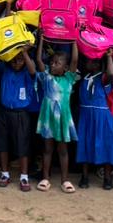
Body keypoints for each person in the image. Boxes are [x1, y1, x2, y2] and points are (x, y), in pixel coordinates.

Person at [35, 36, 79, 193]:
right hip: (48, 119)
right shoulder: (47, 78)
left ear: (65, 68)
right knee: (47, 149)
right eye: (52, 62)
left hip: (62, 120)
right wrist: (41, 40)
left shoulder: (69, 79)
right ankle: (45, 178)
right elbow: (39, 60)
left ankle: (65, 180)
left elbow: (74, 60)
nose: (53, 65)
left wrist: (74, 40)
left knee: (63, 150)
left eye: (57, 63)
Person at [0, 45, 37, 191]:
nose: (16, 63)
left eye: (20, 60)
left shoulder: (27, 73)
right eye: (13, 60)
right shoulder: (5, 70)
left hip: (21, 113)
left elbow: (33, 70)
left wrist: (24, 52)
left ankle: (24, 176)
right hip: (3, 112)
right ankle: (4, 174)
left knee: (23, 146)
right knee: (2, 144)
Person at [76, 50, 113, 190]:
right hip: (86, 116)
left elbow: (112, 73)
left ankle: (107, 177)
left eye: (91, 60)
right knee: (85, 144)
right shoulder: (84, 77)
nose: (87, 63)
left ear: (98, 64)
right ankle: (84, 176)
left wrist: (109, 56)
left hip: (102, 117)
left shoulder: (103, 78)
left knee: (106, 144)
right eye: (87, 60)